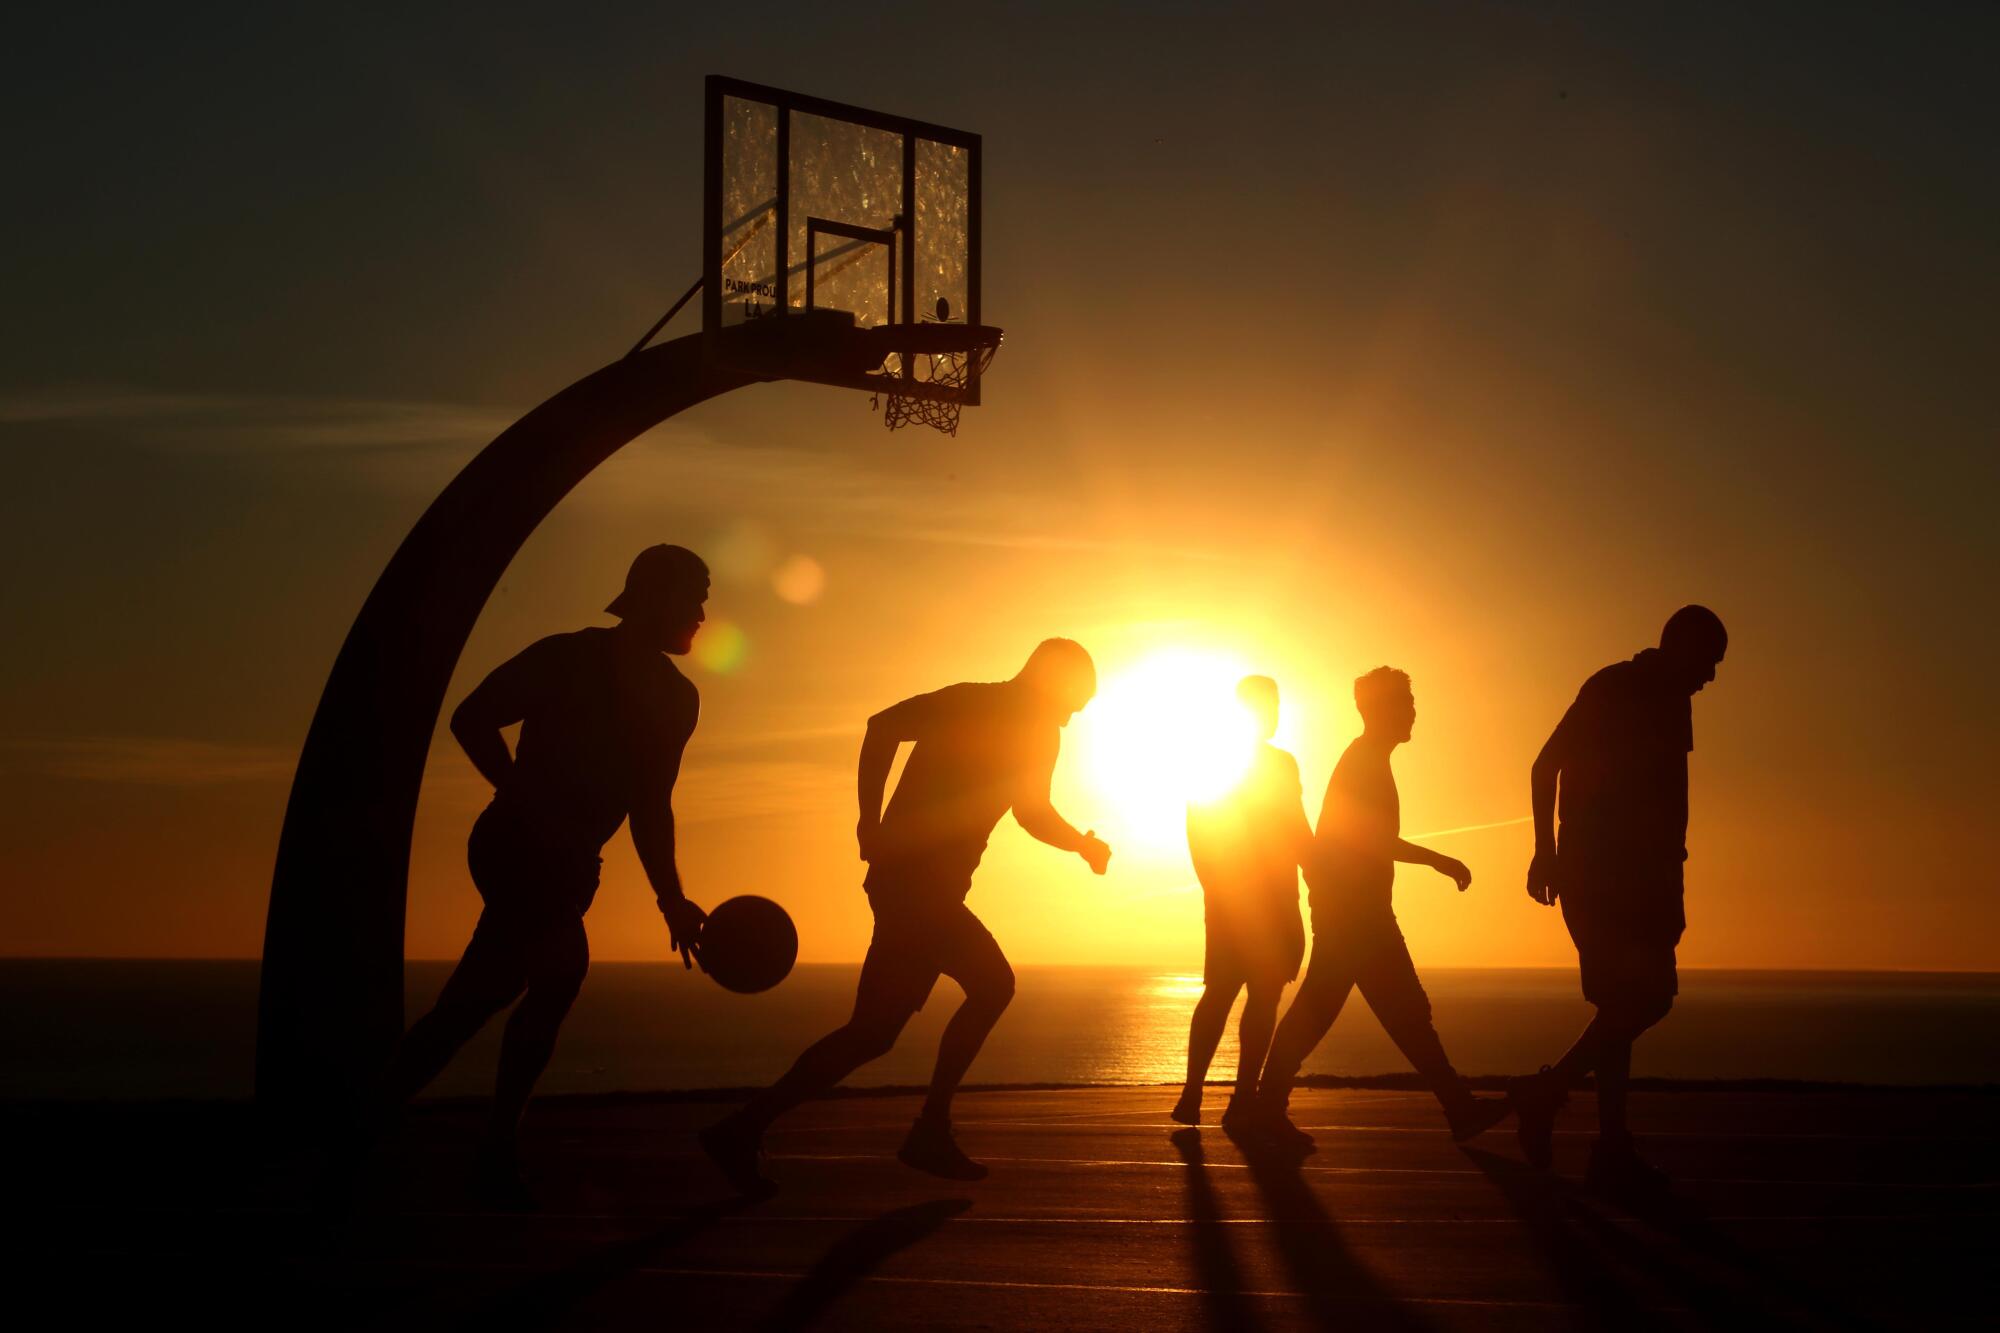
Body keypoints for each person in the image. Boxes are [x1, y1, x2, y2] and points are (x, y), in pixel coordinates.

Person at [373, 544, 712, 1206]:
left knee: (486, 994)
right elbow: (471, 716)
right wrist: (523, 795)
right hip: (516, 844)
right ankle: (481, 1149)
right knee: (546, 976)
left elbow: (651, 806)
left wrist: (672, 899)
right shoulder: (568, 656)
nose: (702, 613)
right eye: (692, 597)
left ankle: (380, 1119)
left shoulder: (678, 698)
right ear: (651, 599)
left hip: (569, 862)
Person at [702, 640, 1111, 1187]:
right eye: (1076, 699)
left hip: (914, 886)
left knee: (871, 1033)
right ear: (1053, 682)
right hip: (918, 890)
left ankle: (744, 1127)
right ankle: (929, 1130)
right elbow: (883, 728)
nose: (1076, 712)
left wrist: (1080, 845)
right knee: (992, 986)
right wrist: (867, 820)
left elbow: (1029, 810)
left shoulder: (1013, 719)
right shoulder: (992, 709)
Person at [1510, 606, 1728, 1196]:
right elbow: (1544, 763)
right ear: (1681, 648)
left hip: (1643, 878)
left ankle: (1609, 1145)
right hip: (1604, 876)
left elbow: (1666, 797)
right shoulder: (1615, 688)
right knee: (1648, 999)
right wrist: (1545, 852)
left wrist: (1671, 874)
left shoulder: (1668, 698)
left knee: (1620, 1006)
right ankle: (1552, 1097)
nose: (1710, 678)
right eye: (1707, 663)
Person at [1250, 667, 1507, 1149]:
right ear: (1380, 710)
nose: (1413, 712)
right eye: (1405, 703)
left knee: (1392, 1011)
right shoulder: (1364, 762)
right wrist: (1437, 859)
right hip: (1353, 913)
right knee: (1351, 1010)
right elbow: (1371, 840)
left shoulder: (1369, 760)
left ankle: (1458, 1108)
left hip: (1358, 910)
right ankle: (1264, 1109)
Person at [1172, 675, 1311, 1128]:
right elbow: (1202, 829)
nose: (1273, 715)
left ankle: (1212, 1095)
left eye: (1275, 706)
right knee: (1243, 994)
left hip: (1252, 898)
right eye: (1267, 706)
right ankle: (1224, 1096)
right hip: (1250, 900)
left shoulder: (1266, 763)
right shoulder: (1249, 764)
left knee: (1239, 994)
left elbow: (1294, 830)